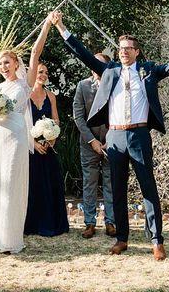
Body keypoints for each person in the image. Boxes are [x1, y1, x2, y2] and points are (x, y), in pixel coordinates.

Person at [53, 13, 169, 258]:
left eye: (129, 48)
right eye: (121, 49)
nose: (124, 52)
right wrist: (61, 26)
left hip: (139, 135)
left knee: (148, 187)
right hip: (115, 137)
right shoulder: (109, 71)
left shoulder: (148, 71)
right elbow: (83, 54)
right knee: (117, 189)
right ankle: (121, 239)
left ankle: (157, 240)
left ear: (137, 52)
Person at [0, 12, 52, 254]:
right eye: (0, 63)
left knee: (10, 182)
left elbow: (36, 52)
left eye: (7, 62)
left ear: (16, 64)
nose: (4, 66)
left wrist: (47, 25)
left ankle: (10, 239)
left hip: (16, 136)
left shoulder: (24, 84)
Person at [73, 53, 116, 238]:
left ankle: (111, 222)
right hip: (88, 143)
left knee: (110, 183)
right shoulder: (82, 86)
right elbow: (78, 116)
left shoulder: (115, 85)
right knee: (89, 184)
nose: (96, 67)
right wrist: (92, 140)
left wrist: (111, 138)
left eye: (100, 64)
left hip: (111, 142)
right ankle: (89, 223)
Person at [24, 62, 69, 237]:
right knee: (32, 185)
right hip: (29, 148)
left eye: (46, 73)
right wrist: (33, 143)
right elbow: (21, 124)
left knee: (50, 184)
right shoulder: (25, 95)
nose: (43, 75)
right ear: (33, 73)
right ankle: (32, 224)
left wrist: (51, 139)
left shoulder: (51, 96)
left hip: (48, 148)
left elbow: (55, 121)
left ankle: (51, 222)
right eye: (40, 71)